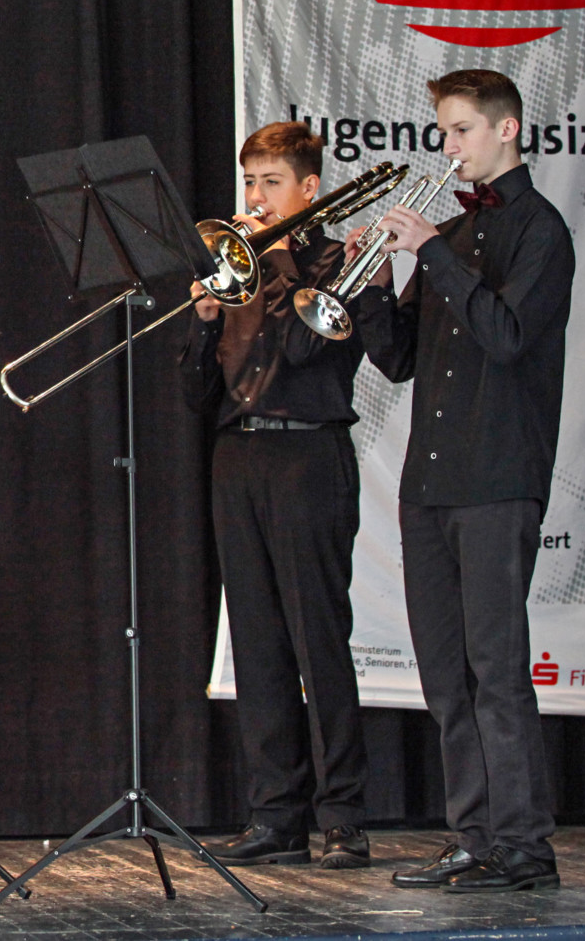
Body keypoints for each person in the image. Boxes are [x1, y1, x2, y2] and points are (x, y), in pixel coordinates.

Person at [354, 70, 574, 893]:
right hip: (431, 485)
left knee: (496, 670)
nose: (447, 147)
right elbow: (402, 359)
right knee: (447, 676)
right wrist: (379, 284)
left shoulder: (540, 231)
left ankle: (524, 848)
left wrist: (434, 253)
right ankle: (475, 836)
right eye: (444, 131)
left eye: (460, 131)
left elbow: (509, 335)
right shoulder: (455, 234)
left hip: (497, 477)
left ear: (507, 130)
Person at [182, 123, 373, 870]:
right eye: (249, 182)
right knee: (258, 641)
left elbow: (302, 347)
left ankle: (343, 816)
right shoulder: (234, 269)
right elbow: (196, 394)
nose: (254, 198)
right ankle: (275, 814)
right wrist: (202, 327)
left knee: (316, 638)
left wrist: (283, 258)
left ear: (308, 190)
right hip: (239, 454)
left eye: (268, 182)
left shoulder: (332, 260)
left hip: (308, 452)